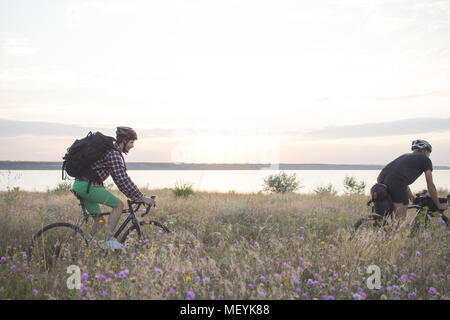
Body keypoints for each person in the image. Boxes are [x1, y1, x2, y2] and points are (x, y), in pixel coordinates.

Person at [72, 126, 156, 249]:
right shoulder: (113, 154)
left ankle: (88, 249)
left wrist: (135, 196)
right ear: (123, 140)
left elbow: (119, 181)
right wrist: (141, 197)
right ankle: (108, 240)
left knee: (99, 222)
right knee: (119, 205)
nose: (132, 146)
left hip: (80, 185)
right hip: (87, 186)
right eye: (132, 142)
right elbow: (122, 179)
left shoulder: (110, 152)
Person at [377, 139, 447, 225]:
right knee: (401, 220)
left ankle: (386, 230)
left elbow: (402, 181)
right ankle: (398, 236)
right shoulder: (425, 159)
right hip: (396, 183)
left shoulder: (405, 157)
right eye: (429, 153)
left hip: (381, 180)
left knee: (392, 214)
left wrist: (412, 199)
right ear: (425, 150)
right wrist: (438, 204)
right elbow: (430, 185)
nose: (429, 155)